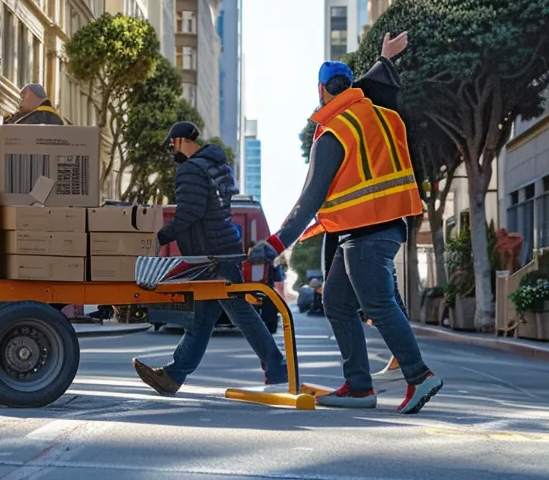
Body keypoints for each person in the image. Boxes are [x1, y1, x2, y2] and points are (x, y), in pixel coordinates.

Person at [246, 54, 443, 415]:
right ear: (350, 86)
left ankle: (419, 375)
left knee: (379, 304)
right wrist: (386, 57)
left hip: (365, 231)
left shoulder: (335, 131)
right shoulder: (386, 117)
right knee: (336, 300)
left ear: (321, 90)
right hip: (385, 226)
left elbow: (310, 200)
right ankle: (359, 386)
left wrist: (274, 244)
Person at [132, 121, 288, 395]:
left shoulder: (191, 170)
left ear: (182, 141)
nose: (172, 150)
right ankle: (173, 375)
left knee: (239, 312)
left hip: (213, 255)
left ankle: (277, 368)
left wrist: (159, 237)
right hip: (219, 250)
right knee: (202, 319)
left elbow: (189, 213)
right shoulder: (216, 166)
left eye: (173, 144)